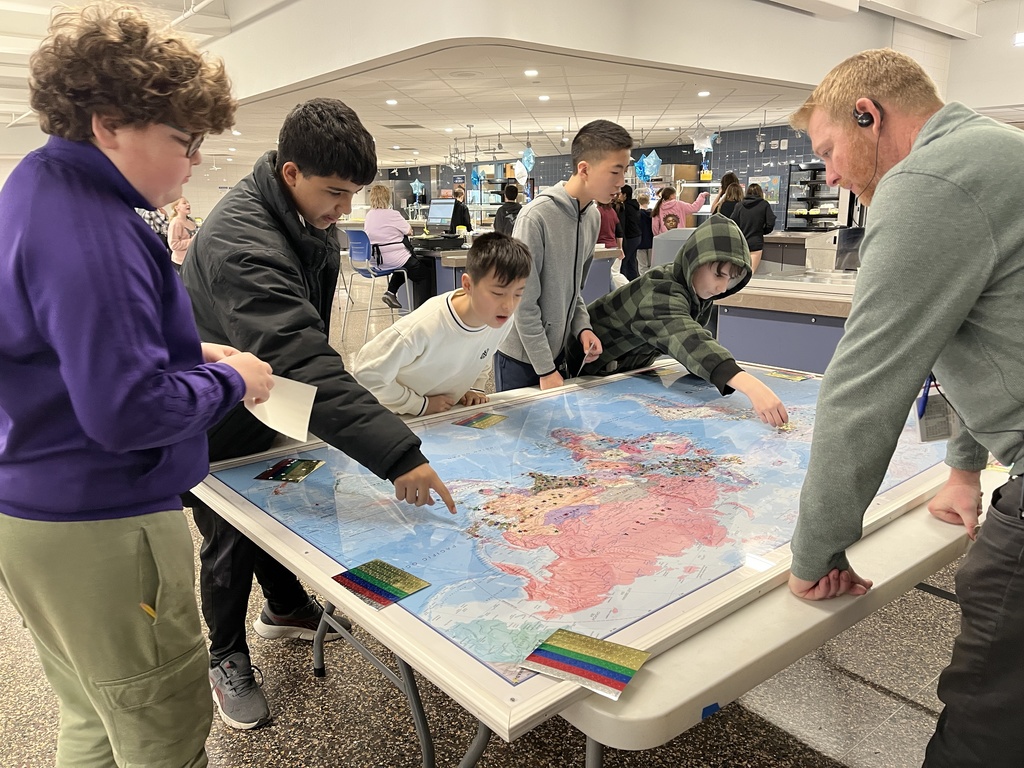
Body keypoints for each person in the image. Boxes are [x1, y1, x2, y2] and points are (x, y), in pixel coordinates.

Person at [0, 5, 275, 766]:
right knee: (163, 731)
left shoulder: (35, 187)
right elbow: (126, 411)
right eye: (182, 143)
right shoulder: (96, 225)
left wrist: (187, 352)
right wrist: (234, 382)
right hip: (105, 523)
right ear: (111, 121)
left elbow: (63, 352)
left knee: (92, 716)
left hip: (36, 514)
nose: (191, 165)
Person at [181, 97, 456, 731]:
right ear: (290, 173)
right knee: (230, 540)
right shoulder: (240, 243)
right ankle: (225, 657)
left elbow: (300, 345)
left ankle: (283, 608)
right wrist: (398, 454)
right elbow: (299, 354)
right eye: (333, 193)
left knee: (291, 511)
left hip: (272, 399)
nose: (342, 211)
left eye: (351, 196)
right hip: (216, 415)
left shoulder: (304, 218)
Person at [787, 48, 1024, 768]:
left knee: (987, 725)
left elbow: (867, 384)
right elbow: (983, 330)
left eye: (830, 149)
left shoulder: (926, 180)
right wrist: (962, 467)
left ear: (870, 114)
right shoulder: (998, 149)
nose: (829, 173)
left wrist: (816, 551)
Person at [565, 215, 788, 426]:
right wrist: (751, 386)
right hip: (577, 372)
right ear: (695, 261)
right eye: (718, 275)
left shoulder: (696, 292)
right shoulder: (659, 291)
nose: (722, 287)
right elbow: (687, 338)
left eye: (730, 279)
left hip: (620, 373)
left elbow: (689, 343)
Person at [494, 119, 633, 392]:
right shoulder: (536, 218)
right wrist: (545, 369)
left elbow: (574, 290)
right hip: (521, 357)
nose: (621, 183)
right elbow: (522, 301)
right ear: (584, 169)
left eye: (624, 172)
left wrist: (583, 328)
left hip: (554, 353)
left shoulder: (591, 216)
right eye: (615, 172)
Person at [352, 232, 532, 416]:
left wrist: (475, 387)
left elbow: (483, 354)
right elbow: (366, 373)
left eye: (518, 294)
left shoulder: (500, 319)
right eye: (498, 293)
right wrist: (418, 404)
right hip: (397, 417)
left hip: (441, 419)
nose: (509, 305)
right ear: (468, 285)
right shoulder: (425, 326)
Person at [363, 184, 435, 310]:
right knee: (423, 273)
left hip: (376, 260)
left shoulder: (369, 215)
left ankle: (391, 292)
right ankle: (422, 311)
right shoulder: (392, 214)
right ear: (387, 198)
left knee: (406, 266)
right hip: (394, 257)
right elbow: (409, 231)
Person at [729, 183, 775, 272]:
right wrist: (762, 231)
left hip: (741, 243)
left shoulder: (739, 205)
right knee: (751, 272)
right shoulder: (764, 205)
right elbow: (770, 222)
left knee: (739, 272)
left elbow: (732, 223)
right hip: (755, 242)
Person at [617, 184, 642, 281]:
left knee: (624, 261)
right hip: (637, 236)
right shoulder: (634, 206)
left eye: (619, 194)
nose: (618, 196)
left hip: (630, 237)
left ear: (625, 195)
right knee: (631, 261)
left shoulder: (625, 208)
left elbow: (622, 226)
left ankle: (624, 284)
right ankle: (634, 282)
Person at [168, 195, 197, 270]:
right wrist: (191, 241)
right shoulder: (176, 223)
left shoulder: (191, 222)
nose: (188, 204)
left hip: (192, 260)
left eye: (188, 202)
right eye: (184, 203)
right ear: (177, 207)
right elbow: (174, 245)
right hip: (181, 262)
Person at [636, 190, 654, 273]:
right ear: (648, 201)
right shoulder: (653, 213)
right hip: (652, 241)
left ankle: (643, 281)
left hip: (640, 242)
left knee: (642, 265)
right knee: (652, 264)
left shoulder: (637, 214)